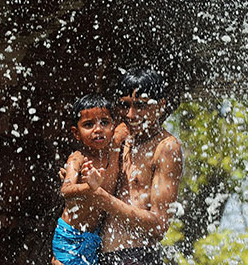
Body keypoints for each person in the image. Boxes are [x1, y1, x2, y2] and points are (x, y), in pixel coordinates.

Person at [91, 68, 184, 265]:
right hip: (101, 255)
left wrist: (106, 201)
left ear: (160, 106)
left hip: (137, 257)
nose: (131, 114)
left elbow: (159, 225)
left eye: (140, 106)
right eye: (125, 105)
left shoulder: (166, 148)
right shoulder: (122, 138)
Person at [52, 94, 120, 265]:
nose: (98, 129)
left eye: (104, 122)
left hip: (92, 238)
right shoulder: (78, 158)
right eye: (88, 125)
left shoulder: (115, 151)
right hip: (70, 237)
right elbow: (66, 190)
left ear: (113, 126)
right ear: (76, 133)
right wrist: (89, 188)